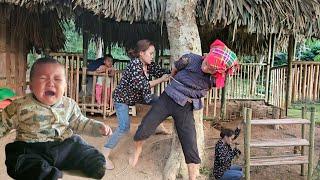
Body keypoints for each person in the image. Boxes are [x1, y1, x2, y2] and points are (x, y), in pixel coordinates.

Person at [130, 39, 238, 180]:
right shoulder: (191, 59)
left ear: (216, 72)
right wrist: (176, 81)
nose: (206, 68)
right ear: (206, 56)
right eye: (206, 63)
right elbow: (175, 69)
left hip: (186, 107)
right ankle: (138, 149)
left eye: (211, 69)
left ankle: (192, 177)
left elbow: (208, 87)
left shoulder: (215, 79)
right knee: (145, 126)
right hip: (167, 98)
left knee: (190, 143)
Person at [0, 57, 113, 180]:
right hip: (31, 148)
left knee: (82, 147)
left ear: (65, 86)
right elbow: (3, 122)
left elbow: (80, 122)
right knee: (17, 158)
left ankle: (95, 165)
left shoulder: (69, 104)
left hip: (64, 146)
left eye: (58, 79)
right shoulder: (19, 106)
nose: (51, 83)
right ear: (31, 86)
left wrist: (98, 127)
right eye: (43, 78)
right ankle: (47, 175)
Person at [103, 39, 171, 170]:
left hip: (137, 96)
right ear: (141, 53)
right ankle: (103, 156)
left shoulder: (148, 64)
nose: (152, 56)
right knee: (124, 127)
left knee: (159, 102)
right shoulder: (134, 65)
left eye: (153, 54)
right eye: (150, 53)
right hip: (122, 98)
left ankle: (158, 126)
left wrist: (173, 71)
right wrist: (162, 79)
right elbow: (143, 85)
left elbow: (161, 71)